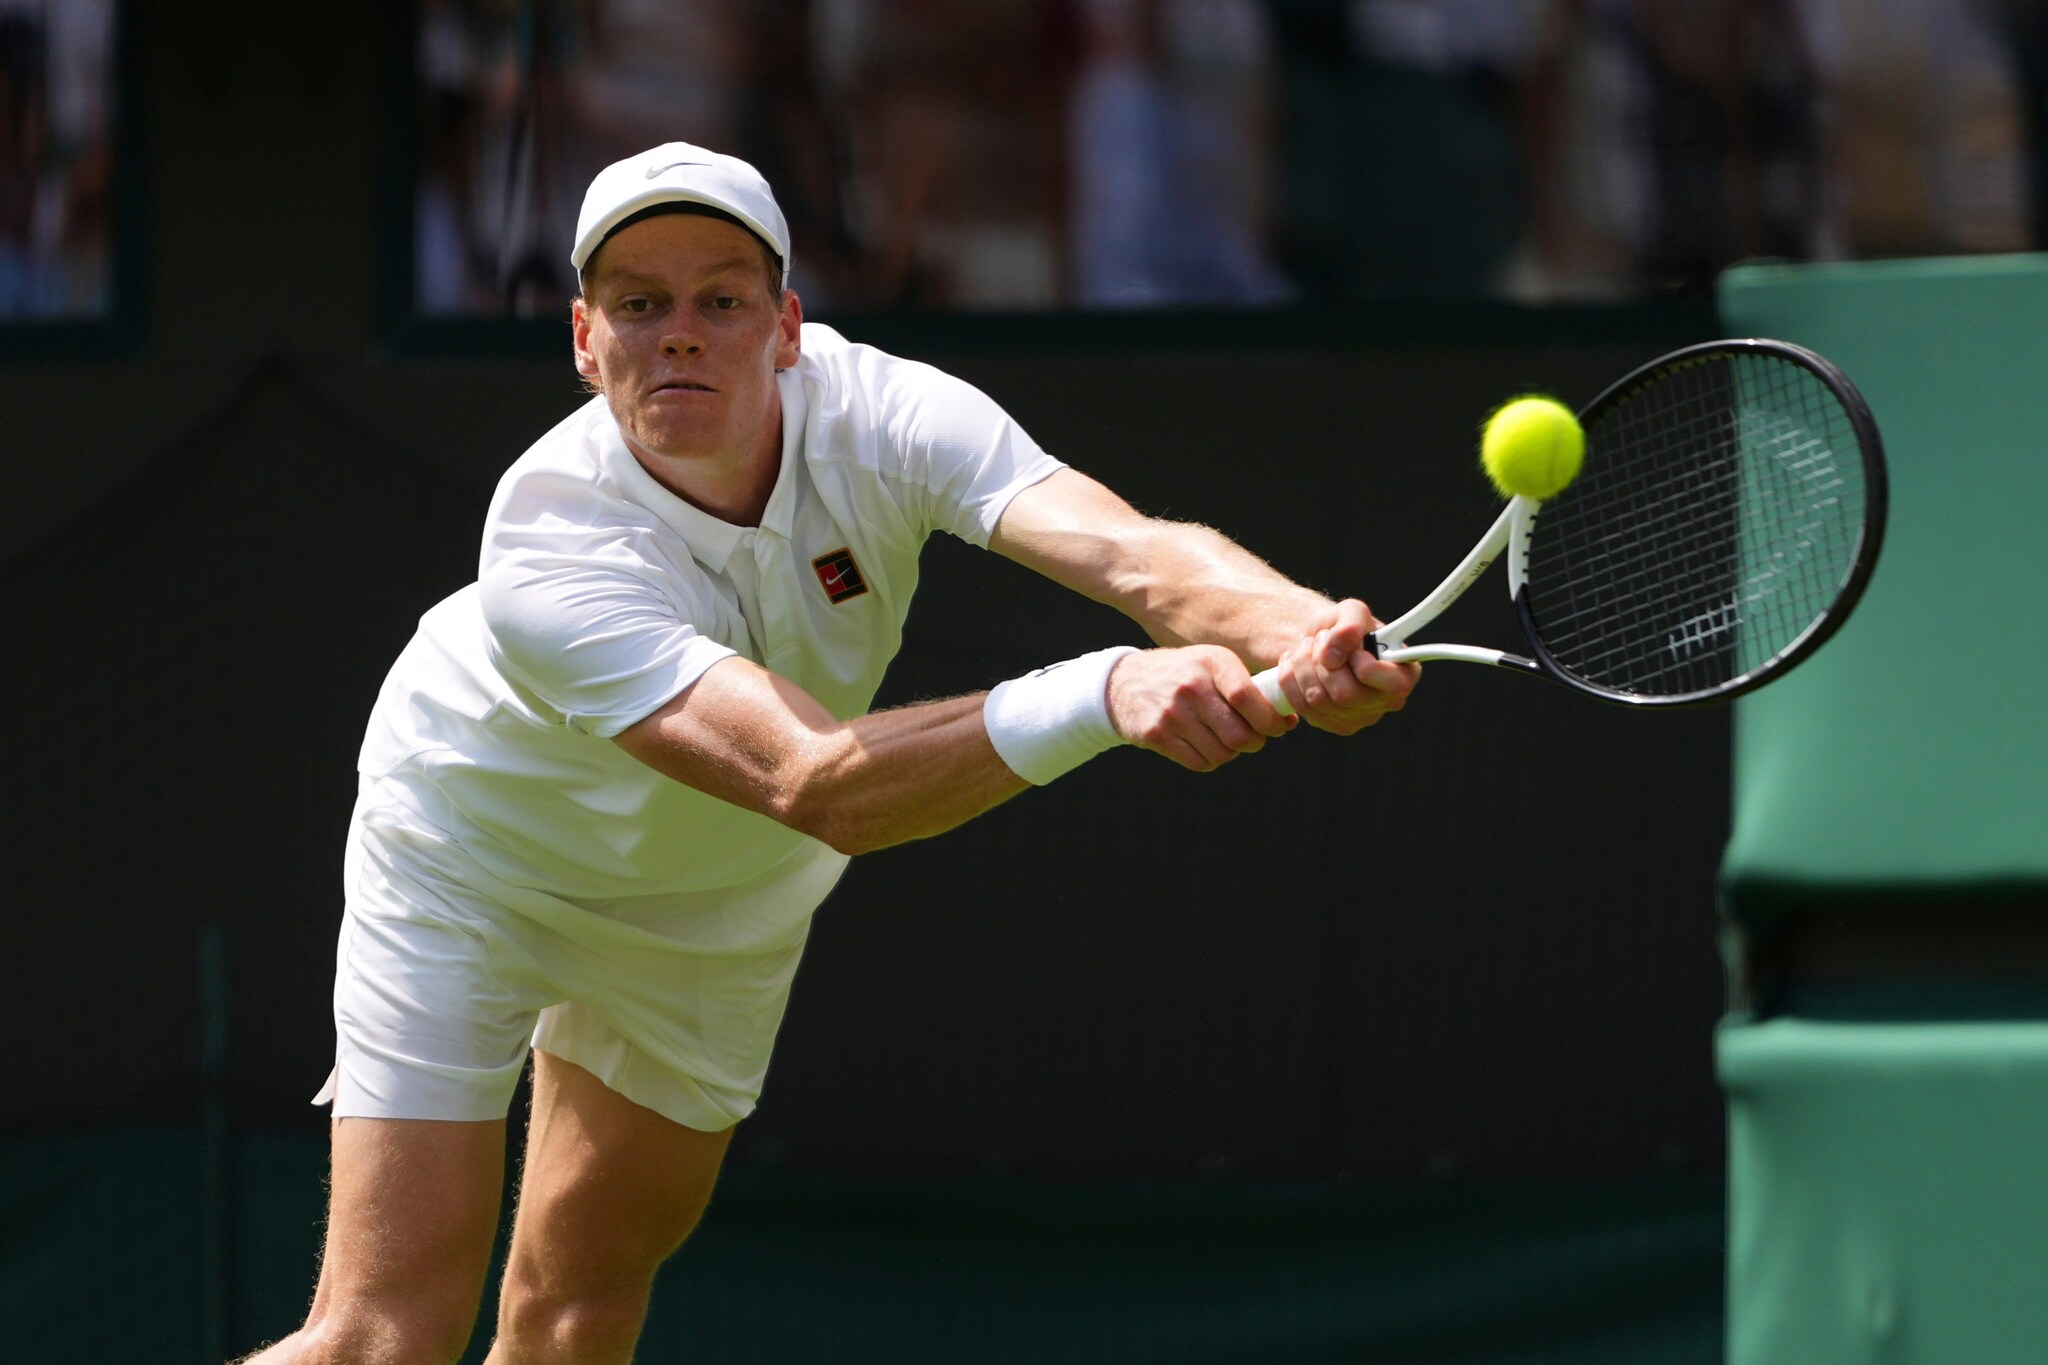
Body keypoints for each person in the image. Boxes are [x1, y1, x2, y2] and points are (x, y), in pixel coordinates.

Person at [242, 142, 1418, 1365]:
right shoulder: (550, 540)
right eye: (639, 304)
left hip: (718, 900)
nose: (680, 332)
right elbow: (810, 781)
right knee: (382, 1340)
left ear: (787, 329)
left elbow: (1135, 557)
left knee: (577, 1311)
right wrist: (1106, 690)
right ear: (586, 342)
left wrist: (1305, 630)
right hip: (474, 857)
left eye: (721, 299)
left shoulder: (889, 416)